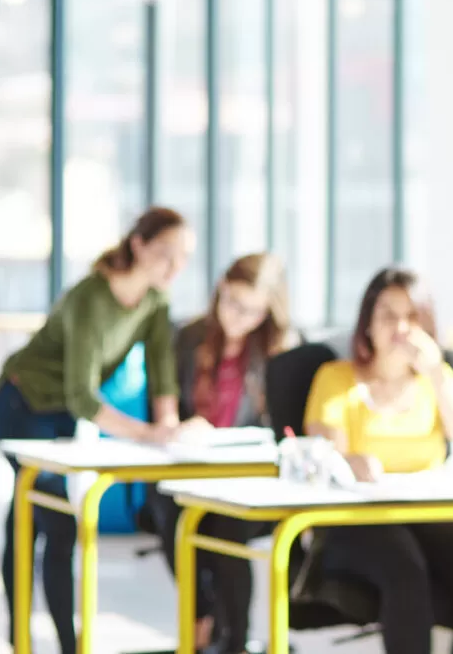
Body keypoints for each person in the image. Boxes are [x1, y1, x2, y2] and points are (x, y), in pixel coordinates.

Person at [0, 206, 207, 654]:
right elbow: (83, 397)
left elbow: (162, 372)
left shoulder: (154, 300)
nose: (175, 267)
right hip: (22, 400)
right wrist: (145, 434)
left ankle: (47, 642)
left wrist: (168, 425)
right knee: (48, 517)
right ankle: (33, 641)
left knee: (43, 519)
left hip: (61, 413)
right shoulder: (90, 298)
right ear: (138, 245)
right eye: (165, 254)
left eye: (183, 257)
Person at [303, 267, 453, 654]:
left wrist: (433, 368)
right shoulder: (336, 378)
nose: (400, 326)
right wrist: (349, 460)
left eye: (411, 316)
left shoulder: (436, 378)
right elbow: (326, 449)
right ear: (367, 324)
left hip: (426, 512)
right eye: (388, 315)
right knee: (405, 570)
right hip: (357, 518)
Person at [146, 253, 298, 654]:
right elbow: (162, 407)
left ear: (268, 311)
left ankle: (232, 640)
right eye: (230, 301)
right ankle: (204, 620)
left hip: (251, 479)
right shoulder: (189, 337)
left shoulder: (280, 352)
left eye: (250, 310)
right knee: (174, 516)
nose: (236, 315)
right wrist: (178, 426)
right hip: (190, 471)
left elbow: (285, 429)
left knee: (226, 526)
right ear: (219, 291)